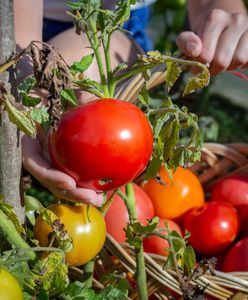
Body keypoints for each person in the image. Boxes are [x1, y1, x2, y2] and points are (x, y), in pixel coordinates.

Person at [15, 0, 248, 207]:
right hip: (27, 33)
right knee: (72, 84)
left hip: (125, 34)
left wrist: (224, 18)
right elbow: (17, 35)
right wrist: (26, 84)